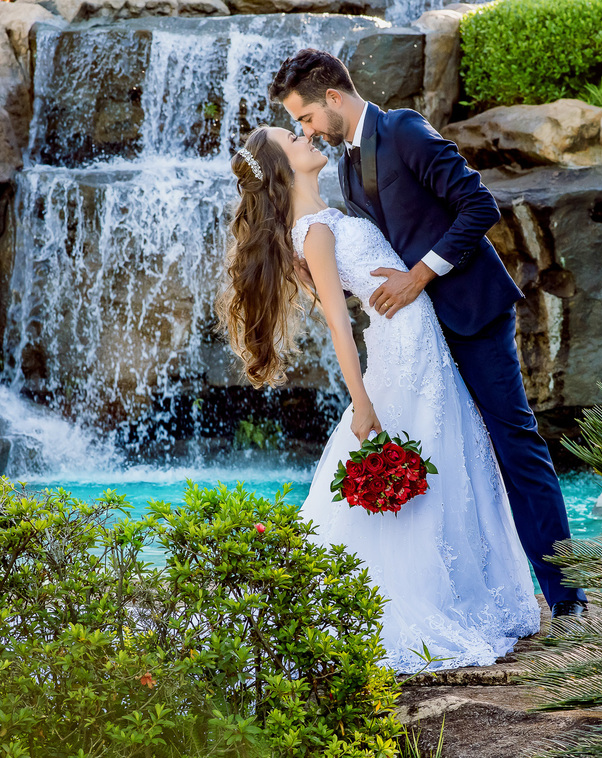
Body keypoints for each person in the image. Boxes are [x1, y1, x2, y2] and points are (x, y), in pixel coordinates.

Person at [269, 49, 587, 617]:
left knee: (514, 446)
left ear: (334, 99)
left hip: (469, 314)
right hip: (414, 341)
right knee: (453, 455)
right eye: (299, 126)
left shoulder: (405, 130)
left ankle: (567, 599)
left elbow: (478, 205)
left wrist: (420, 275)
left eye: (308, 118)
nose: (307, 130)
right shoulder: (343, 165)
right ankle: (461, 595)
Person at [219, 126, 540, 671]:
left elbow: (344, 295)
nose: (304, 138)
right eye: (292, 140)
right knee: (423, 459)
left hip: (418, 337)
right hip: (401, 349)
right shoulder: (314, 231)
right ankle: (419, 599)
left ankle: (462, 590)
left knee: (450, 458)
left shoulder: (323, 217)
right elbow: (341, 329)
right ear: (282, 168)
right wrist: (361, 401)